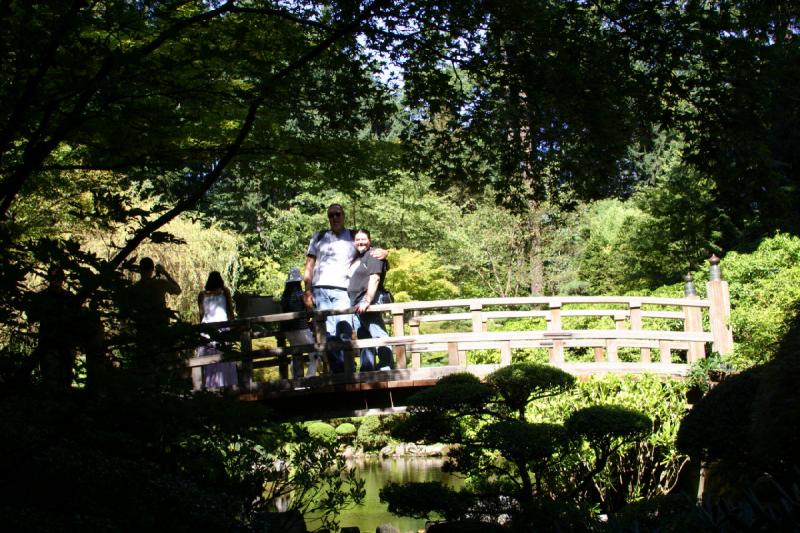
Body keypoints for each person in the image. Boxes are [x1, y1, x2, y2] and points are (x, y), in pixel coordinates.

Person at [302, 203, 387, 373]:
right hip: (320, 290)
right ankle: (341, 371)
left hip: (342, 289)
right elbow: (309, 265)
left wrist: (386, 252)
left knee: (345, 330)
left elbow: (368, 247)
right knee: (329, 334)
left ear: (343, 215)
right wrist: (307, 290)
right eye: (331, 215)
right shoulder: (318, 237)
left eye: (337, 214)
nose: (334, 218)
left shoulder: (353, 235)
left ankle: (349, 367)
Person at [26, 265, 83, 389]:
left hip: (65, 344)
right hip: (49, 343)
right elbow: (31, 317)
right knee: (50, 380)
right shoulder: (42, 297)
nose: (56, 282)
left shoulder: (69, 298)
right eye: (54, 279)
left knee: (64, 380)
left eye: (58, 279)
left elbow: (78, 321)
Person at [347, 229, 394, 371]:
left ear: (369, 241)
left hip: (366, 302)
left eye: (363, 239)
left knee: (377, 333)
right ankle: (367, 368)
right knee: (364, 336)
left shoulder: (373, 255)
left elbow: (375, 278)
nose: (360, 242)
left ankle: (386, 366)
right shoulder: (358, 257)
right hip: (356, 303)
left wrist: (367, 300)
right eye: (358, 240)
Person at [197, 271, 238, 389]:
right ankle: (227, 386)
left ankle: (210, 388)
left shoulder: (202, 295)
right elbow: (230, 312)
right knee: (224, 359)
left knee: (209, 362)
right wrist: (234, 327)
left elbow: (201, 315)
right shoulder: (225, 292)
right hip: (223, 331)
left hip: (207, 331)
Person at [280, 267, 321, 378]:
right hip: (301, 329)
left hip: (288, 331)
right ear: (299, 281)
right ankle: (309, 378)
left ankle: (297, 382)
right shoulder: (302, 295)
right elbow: (310, 311)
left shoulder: (284, 297)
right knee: (315, 354)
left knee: (296, 355)